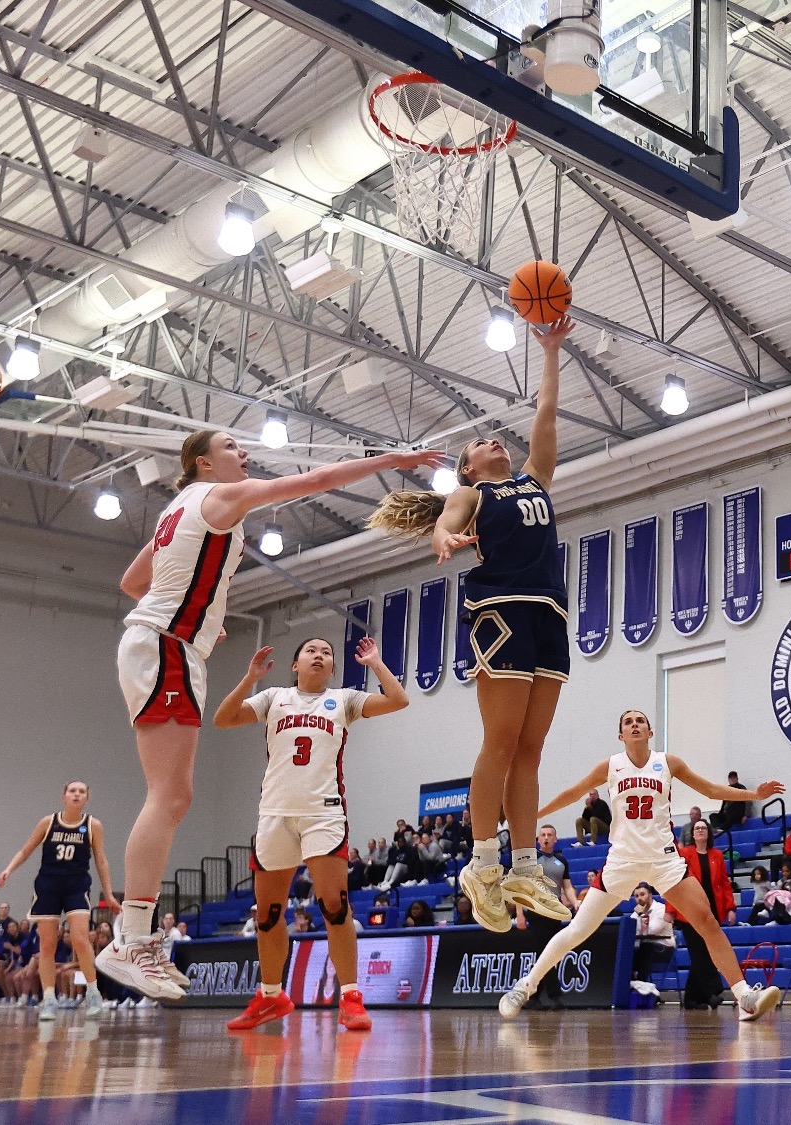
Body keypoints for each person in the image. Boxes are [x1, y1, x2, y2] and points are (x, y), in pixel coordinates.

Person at [106, 430, 439, 998]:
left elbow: (133, 582)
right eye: (232, 446)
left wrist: (199, 605)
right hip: (168, 646)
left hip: (164, 643)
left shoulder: (178, 509)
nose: (245, 454)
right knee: (169, 796)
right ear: (204, 462)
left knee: (172, 796)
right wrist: (392, 460)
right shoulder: (220, 496)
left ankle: (134, 938)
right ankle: (133, 939)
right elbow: (315, 481)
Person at [368, 317, 577, 934]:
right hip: (502, 611)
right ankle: (482, 861)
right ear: (467, 467)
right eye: (482, 444)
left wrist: (551, 352)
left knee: (532, 750)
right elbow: (445, 520)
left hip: (549, 612)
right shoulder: (474, 497)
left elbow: (547, 414)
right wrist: (442, 536)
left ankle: (522, 866)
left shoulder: (535, 480)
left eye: (496, 439)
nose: (495, 443)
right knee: (501, 740)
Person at [498, 710, 783, 1020]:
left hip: (664, 859)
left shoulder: (668, 763)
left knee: (706, 921)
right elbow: (573, 793)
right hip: (623, 861)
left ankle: (744, 997)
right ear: (621, 735)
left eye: (640, 721)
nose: (634, 725)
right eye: (627, 722)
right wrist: (534, 816)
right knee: (579, 929)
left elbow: (710, 790)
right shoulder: (611, 766)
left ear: (649, 731)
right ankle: (525, 986)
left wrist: (754, 794)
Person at [213, 635, 409, 1032]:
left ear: (333, 669)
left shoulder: (345, 700)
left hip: (323, 815)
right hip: (274, 815)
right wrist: (250, 678)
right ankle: (271, 996)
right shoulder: (273, 698)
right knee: (267, 916)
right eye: (311, 651)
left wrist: (374, 663)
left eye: (326, 654)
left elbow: (398, 699)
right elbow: (223, 718)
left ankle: (351, 996)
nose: (319, 656)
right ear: (295, 664)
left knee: (334, 907)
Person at [0, 780, 118, 1019]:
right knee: (47, 946)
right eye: (72, 791)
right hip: (48, 886)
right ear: (63, 797)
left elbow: (101, 860)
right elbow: (26, 850)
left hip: (76, 886)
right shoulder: (48, 822)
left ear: (86, 799)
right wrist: (9, 870)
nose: (77, 794)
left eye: (82, 792)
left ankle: (93, 993)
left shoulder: (93, 825)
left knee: (81, 940)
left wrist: (109, 894)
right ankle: (49, 999)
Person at [676, 819, 735, 1009]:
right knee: (702, 953)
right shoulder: (685, 854)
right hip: (689, 912)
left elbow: (725, 884)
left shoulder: (717, 855)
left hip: (712, 912)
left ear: (708, 833)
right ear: (692, 834)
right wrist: (670, 910)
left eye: (703, 828)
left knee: (700, 955)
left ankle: (693, 999)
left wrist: (731, 907)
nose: (700, 831)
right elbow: (675, 883)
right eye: (697, 828)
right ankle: (713, 991)